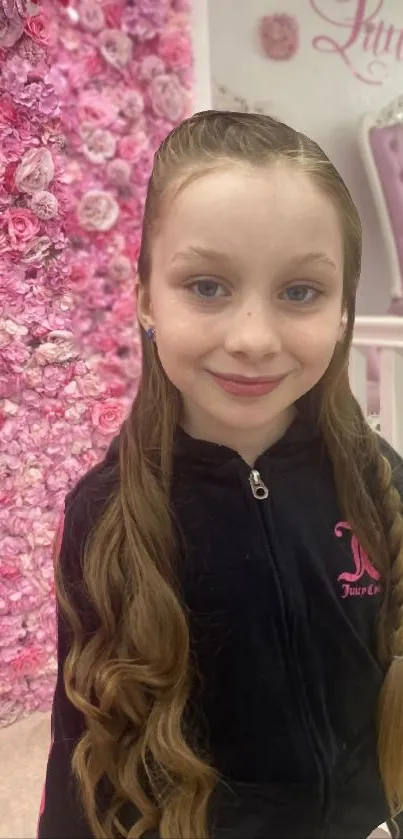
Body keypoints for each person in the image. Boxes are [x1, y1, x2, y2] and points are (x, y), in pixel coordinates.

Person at [37, 110, 403, 839]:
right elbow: (83, 747)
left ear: (339, 310)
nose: (251, 339)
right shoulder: (105, 514)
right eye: (206, 286)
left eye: (299, 291)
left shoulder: (379, 479)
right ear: (144, 296)